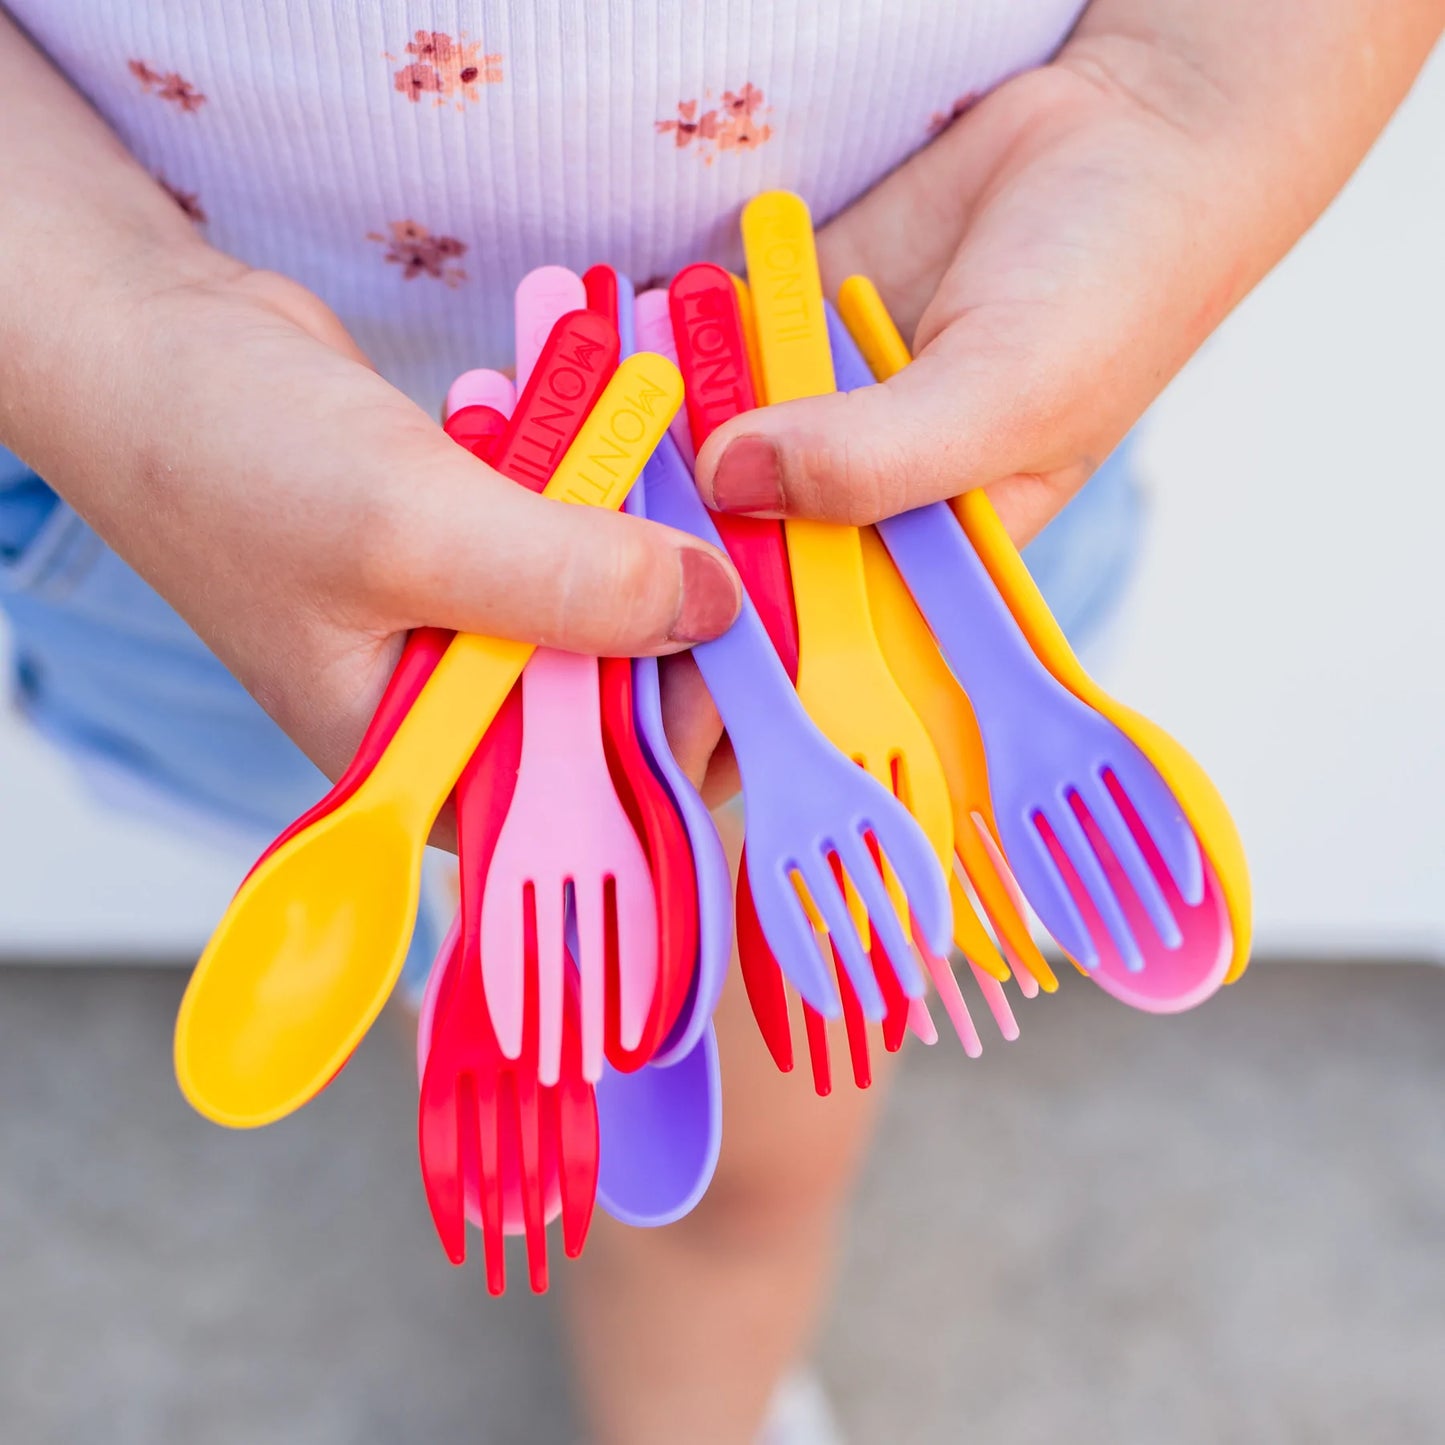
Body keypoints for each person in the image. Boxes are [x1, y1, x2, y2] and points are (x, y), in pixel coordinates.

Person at [1, 4, 1440, 1442]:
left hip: (929, 420)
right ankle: (495, 955)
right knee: (457, 903)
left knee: (745, 1164)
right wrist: (120, 341)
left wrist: (1180, 110)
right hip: (178, 496)